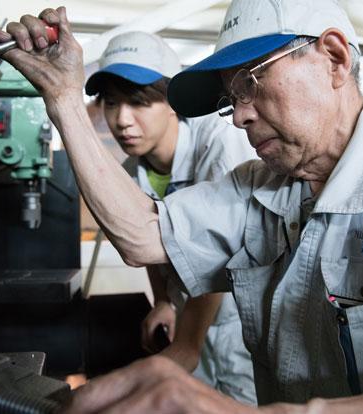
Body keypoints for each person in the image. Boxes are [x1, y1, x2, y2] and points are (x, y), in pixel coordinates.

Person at [0, 0, 363, 412]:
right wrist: (61, 97)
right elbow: (144, 235)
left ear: (335, 59)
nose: (238, 118)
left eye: (249, 82)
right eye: (232, 98)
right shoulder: (261, 187)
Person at [83, 31, 257, 405]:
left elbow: (219, 247)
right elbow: (149, 243)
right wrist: (163, 300)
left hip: (236, 324)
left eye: (137, 102)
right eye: (111, 103)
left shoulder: (218, 142)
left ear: (171, 102)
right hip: (187, 318)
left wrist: (188, 345)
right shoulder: (132, 171)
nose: (122, 120)